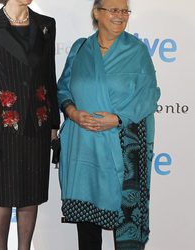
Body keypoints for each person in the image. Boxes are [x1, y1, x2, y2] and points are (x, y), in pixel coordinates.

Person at [57, 0, 161, 249]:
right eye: (114, 10)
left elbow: (149, 94)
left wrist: (117, 119)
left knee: (123, 221)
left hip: (122, 148)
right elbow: (63, 89)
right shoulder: (80, 48)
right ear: (97, 13)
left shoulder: (136, 51)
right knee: (88, 229)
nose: (121, 16)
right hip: (84, 149)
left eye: (125, 11)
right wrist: (72, 113)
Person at [0, 0, 60, 249]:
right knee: (1, 195)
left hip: (36, 127)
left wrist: (53, 123)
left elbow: (49, 76)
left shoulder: (46, 25)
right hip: (0, 128)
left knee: (30, 196)